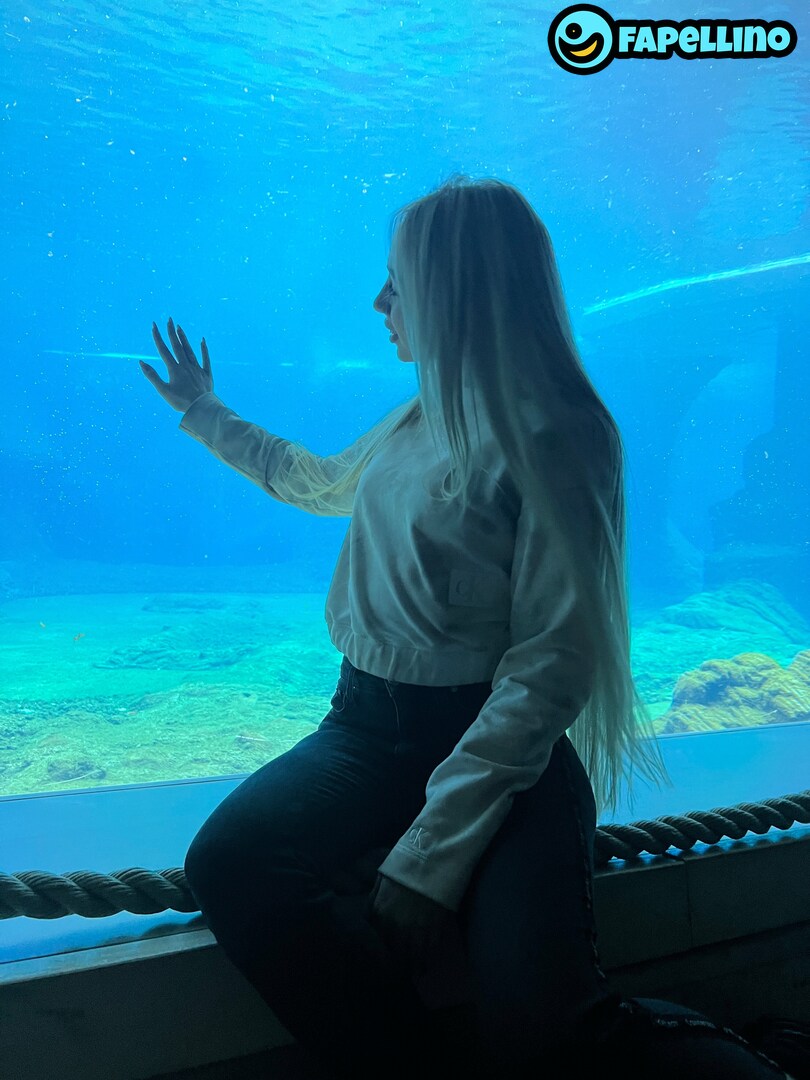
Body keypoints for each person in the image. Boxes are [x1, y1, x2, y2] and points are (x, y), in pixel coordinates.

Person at [140, 176, 791, 1080]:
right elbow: (316, 480)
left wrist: (428, 858)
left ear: (457, 285)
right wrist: (206, 413)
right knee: (230, 862)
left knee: (550, 1029)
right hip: (362, 729)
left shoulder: (562, 432)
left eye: (396, 281)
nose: (379, 303)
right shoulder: (417, 417)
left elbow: (552, 664)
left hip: (503, 750)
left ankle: (760, 1059)